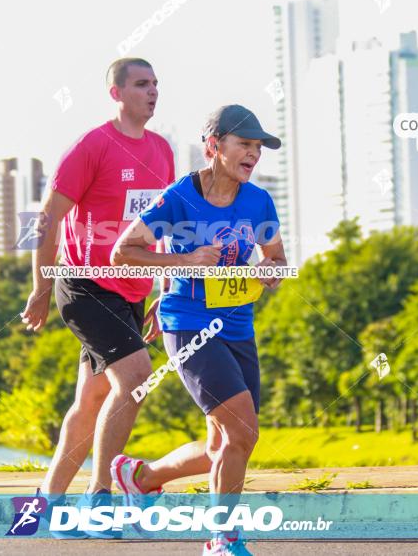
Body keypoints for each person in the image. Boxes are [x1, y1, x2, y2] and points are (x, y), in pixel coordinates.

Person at [110, 105, 287, 555]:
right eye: (244, 144)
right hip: (188, 326)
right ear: (214, 146)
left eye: (258, 147)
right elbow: (123, 252)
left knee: (220, 445)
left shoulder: (258, 201)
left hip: (238, 327)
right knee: (243, 434)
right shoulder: (178, 198)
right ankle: (222, 539)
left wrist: (271, 270)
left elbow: (276, 256)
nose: (253, 155)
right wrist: (183, 261)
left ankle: (141, 477)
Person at [19, 57, 175, 538]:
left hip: (131, 291)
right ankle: (96, 500)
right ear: (116, 93)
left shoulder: (163, 150)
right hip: (84, 284)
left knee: (90, 401)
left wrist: (163, 289)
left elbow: (163, 225)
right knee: (136, 380)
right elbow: (47, 220)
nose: (152, 92)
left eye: (155, 84)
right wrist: (41, 287)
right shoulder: (92, 146)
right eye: (141, 84)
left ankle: (46, 506)